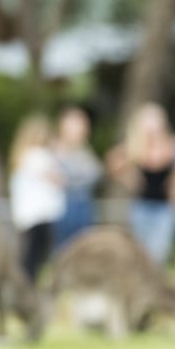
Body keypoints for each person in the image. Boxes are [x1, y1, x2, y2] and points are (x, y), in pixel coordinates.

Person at [105, 102, 175, 266]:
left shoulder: (172, 145)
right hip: (141, 205)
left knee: (159, 251)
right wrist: (129, 179)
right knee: (140, 251)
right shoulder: (135, 147)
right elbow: (113, 161)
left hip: (165, 208)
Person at [9, 114, 63, 284]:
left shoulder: (23, 157)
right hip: (39, 215)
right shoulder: (37, 156)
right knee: (36, 256)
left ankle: (26, 285)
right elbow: (57, 178)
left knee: (31, 254)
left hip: (29, 217)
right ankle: (27, 286)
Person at [53, 105, 102, 250]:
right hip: (65, 207)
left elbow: (95, 174)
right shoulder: (56, 149)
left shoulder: (85, 151)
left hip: (85, 205)